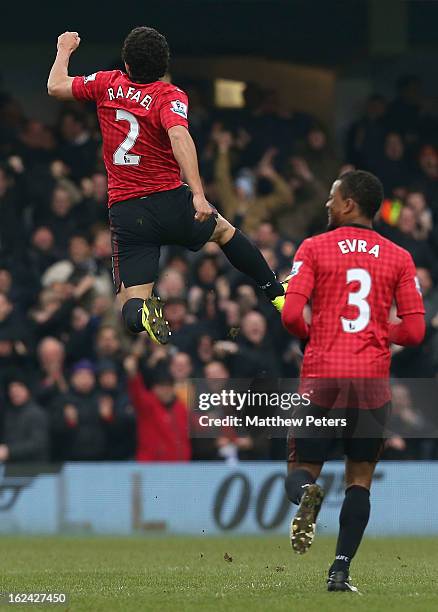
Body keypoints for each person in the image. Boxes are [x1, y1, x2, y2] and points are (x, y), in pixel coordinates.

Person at [47, 27, 287, 345]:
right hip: (170, 200)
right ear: (164, 67)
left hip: (128, 212)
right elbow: (178, 135)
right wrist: (199, 195)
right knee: (225, 233)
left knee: (131, 303)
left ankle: (144, 314)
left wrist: (64, 49)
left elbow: (56, 86)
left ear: (126, 63)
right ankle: (277, 293)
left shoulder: (107, 83)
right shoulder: (169, 96)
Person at [281, 170, 425, 592]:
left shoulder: (314, 248)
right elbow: (415, 332)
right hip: (371, 386)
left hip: (323, 378)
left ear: (348, 204)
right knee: (359, 477)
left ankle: (307, 490)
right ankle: (339, 570)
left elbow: (291, 316)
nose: (327, 203)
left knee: (301, 467)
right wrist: (380, 330)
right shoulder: (399, 257)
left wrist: (319, 329)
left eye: (332, 195)